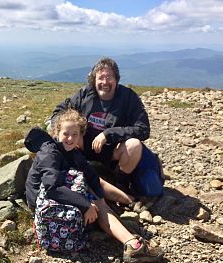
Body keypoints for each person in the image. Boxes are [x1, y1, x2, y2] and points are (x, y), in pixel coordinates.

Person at [25, 109, 164, 263]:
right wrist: (86, 205)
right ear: (57, 132)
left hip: (59, 189)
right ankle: (132, 245)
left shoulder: (71, 151)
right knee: (95, 202)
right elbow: (52, 188)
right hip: (42, 200)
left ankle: (131, 202)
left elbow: (90, 175)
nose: (70, 138)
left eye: (75, 134)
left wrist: (99, 197)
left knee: (94, 186)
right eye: (66, 134)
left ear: (81, 135)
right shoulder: (49, 152)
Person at [50, 57, 163, 199]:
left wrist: (108, 134)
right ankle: (71, 171)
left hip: (113, 152)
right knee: (67, 132)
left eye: (109, 77)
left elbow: (143, 129)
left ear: (116, 79)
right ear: (94, 80)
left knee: (133, 145)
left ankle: (121, 182)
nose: (105, 82)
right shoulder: (85, 94)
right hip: (85, 148)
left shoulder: (128, 98)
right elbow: (60, 110)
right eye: (100, 78)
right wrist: (57, 129)